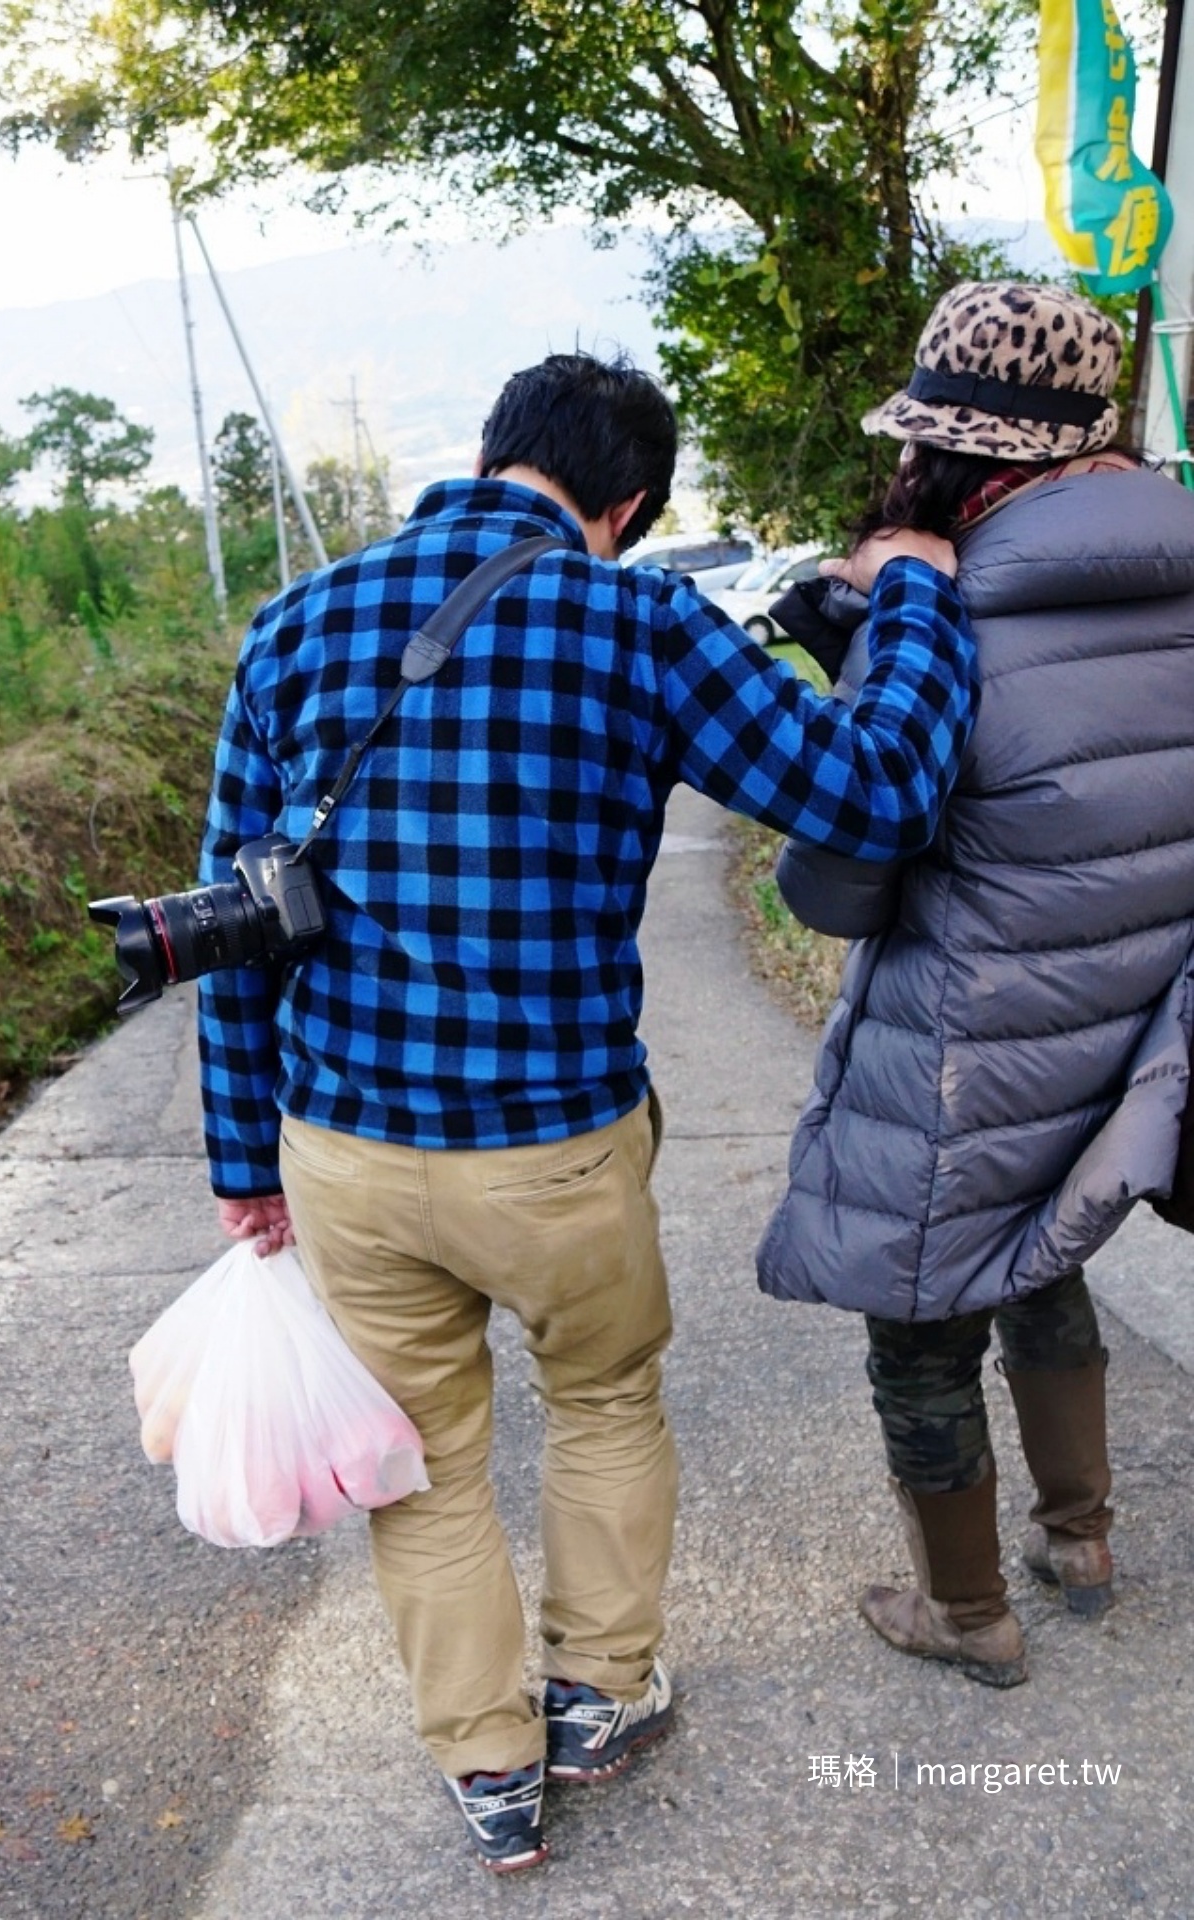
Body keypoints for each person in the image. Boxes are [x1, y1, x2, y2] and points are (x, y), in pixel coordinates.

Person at [197, 349, 978, 1870]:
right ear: (624, 505)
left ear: (492, 454)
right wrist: (917, 601)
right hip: (559, 1144)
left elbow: (230, 925)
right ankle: (600, 1698)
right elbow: (880, 791)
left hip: (349, 1144)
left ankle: (489, 1770)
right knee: (607, 1404)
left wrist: (244, 1155)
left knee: (419, 1459)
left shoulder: (292, 626)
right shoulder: (636, 618)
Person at [757, 282, 1194, 1688]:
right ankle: (1082, 1540)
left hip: (966, 1034)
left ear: (959, 455)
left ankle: (969, 1614)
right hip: (1125, 1019)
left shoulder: (939, 612)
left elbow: (836, 880)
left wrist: (861, 637)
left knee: (924, 1318)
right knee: (1045, 1250)